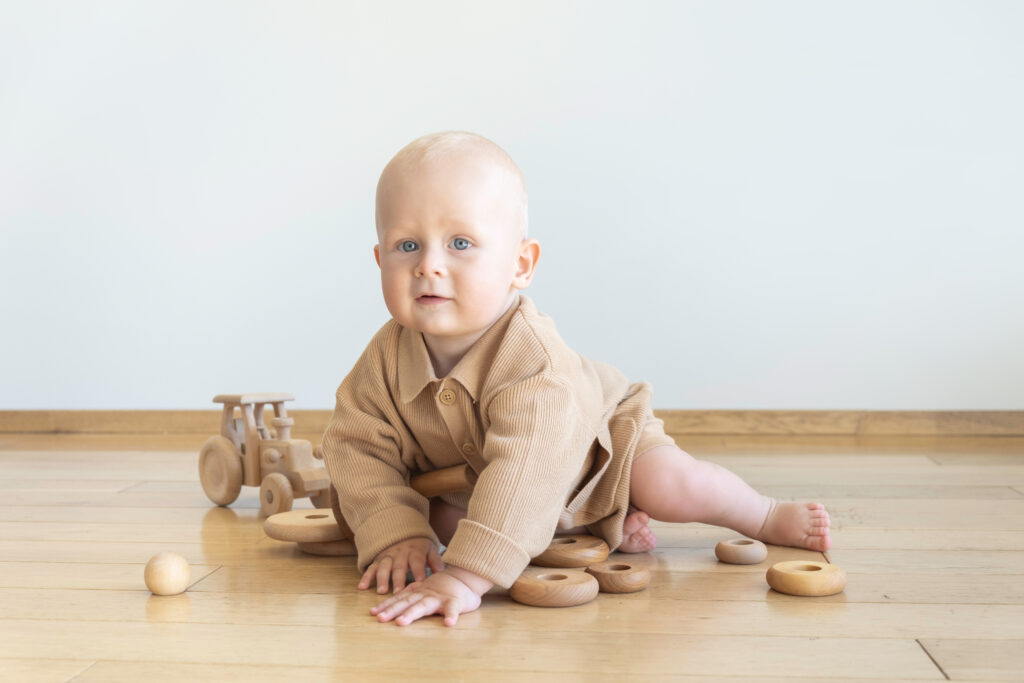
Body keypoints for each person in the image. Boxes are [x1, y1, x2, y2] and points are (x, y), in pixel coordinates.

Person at [321, 131, 831, 627]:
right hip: (486, 483)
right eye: (406, 245)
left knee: (675, 487)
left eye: (460, 242)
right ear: (379, 259)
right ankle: (596, 524)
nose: (429, 266)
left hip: (604, 448)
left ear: (520, 264)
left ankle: (761, 513)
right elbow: (357, 450)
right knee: (437, 520)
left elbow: (526, 470)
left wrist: (465, 578)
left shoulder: (535, 365)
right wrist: (395, 534)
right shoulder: (383, 361)